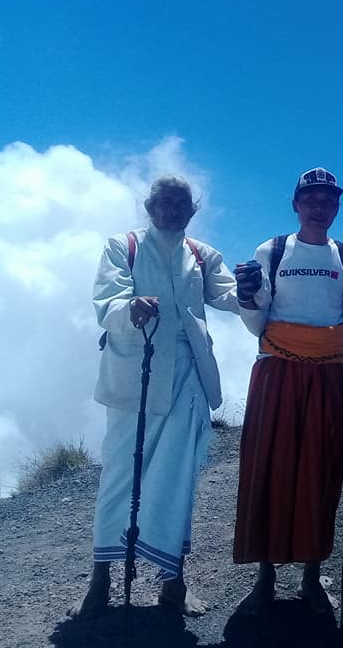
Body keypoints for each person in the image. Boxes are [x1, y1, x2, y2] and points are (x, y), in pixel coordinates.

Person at [71, 175, 240, 617]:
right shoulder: (122, 246)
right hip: (135, 375)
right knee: (119, 476)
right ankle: (101, 578)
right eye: (164, 202)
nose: (172, 210)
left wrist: (254, 286)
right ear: (150, 207)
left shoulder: (202, 256)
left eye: (181, 203)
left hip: (186, 378)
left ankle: (173, 581)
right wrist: (130, 309)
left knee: (178, 480)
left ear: (192, 209)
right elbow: (108, 298)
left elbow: (230, 295)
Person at [232, 167, 343, 617]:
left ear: (336, 207)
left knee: (321, 473)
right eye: (311, 199)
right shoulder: (273, 250)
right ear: (296, 205)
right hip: (276, 369)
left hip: (328, 375)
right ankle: (264, 578)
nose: (320, 207)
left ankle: (310, 579)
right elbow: (257, 319)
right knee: (268, 467)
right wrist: (246, 297)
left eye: (329, 201)